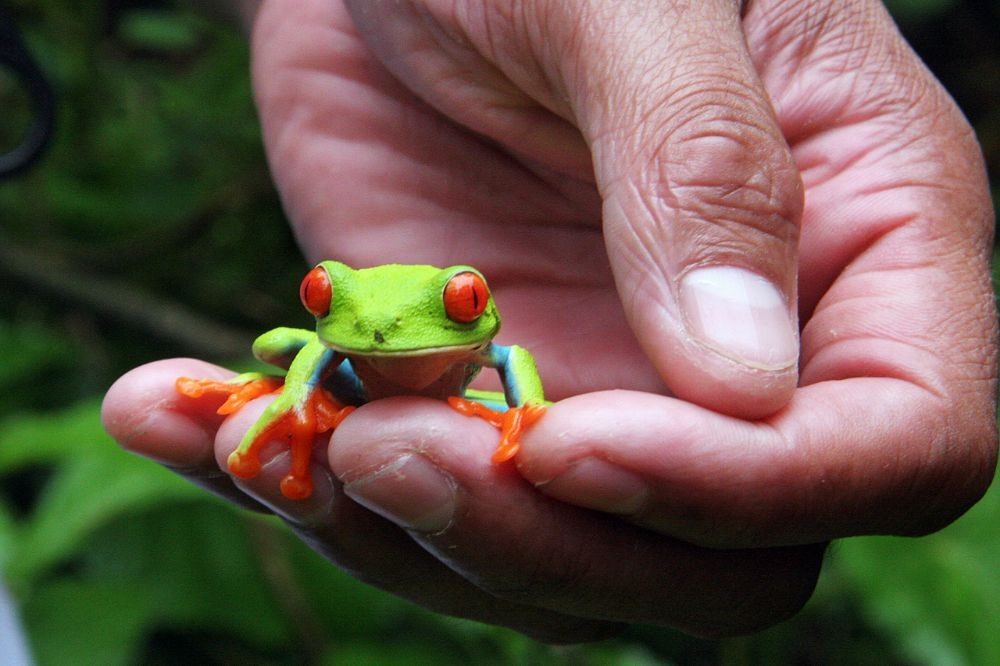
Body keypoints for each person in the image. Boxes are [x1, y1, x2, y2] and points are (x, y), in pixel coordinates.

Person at [101, 0, 997, 641]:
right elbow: (352, 344)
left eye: (457, 303)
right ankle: (298, 387)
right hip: (332, 382)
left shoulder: (492, 344)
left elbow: (512, 358)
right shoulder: (349, 333)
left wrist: (522, 411)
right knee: (287, 363)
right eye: (322, 294)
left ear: (473, 310)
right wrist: (302, 387)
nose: (377, 324)